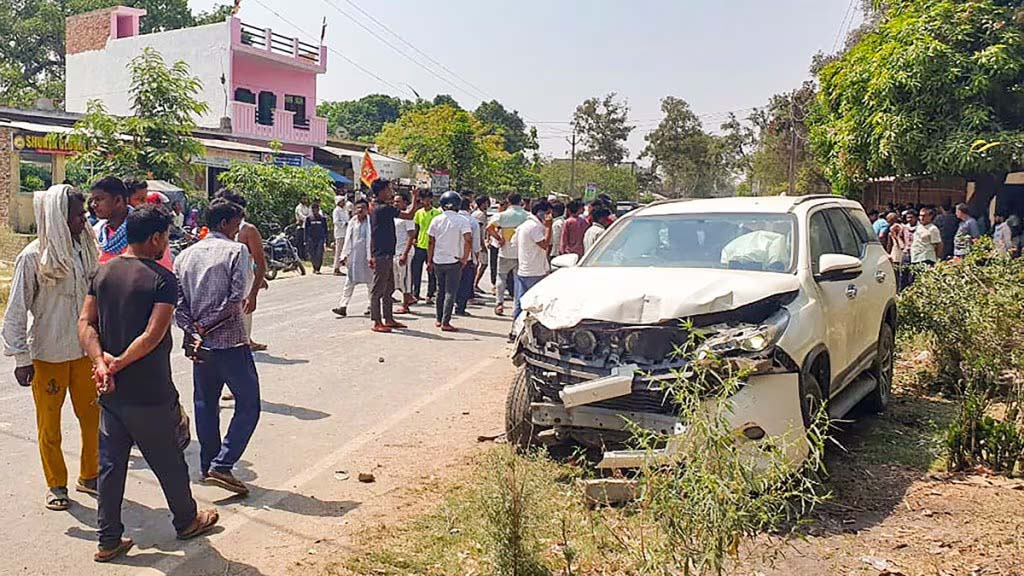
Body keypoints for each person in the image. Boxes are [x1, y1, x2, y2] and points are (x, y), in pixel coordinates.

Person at [78, 204, 219, 562]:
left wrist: (101, 363)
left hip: (110, 391)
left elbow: (85, 323)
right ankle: (187, 519)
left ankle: (108, 539)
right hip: (149, 391)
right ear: (156, 237)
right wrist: (119, 363)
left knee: (111, 466)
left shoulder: (103, 273)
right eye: (165, 237)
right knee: (168, 459)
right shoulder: (161, 279)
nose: (165, 244)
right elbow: (154, 334)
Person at [2, 185, 100, 512]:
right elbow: (16, 309)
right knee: (49, 424)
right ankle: (55, 483)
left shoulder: (87, 251)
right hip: (47, 355)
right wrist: (21, 357)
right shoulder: (33, 257)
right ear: (57, 216)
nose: (82, 220)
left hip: (85, 353)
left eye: (83, 213)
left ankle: (90, 474)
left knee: (92, 417)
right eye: (76, 214)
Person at [174, 199, 258, 496]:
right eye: (236, 224)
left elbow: (178, 303)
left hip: (200, 346)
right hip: (230, 342)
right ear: (224, 223)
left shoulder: (184, 256)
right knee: (249, 404)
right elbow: (237, 299)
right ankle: (222, 464)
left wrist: (194, 329)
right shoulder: (237, 251)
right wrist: (206, 325)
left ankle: (209, 464)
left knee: (206, 405)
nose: (239, 230)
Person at [214, 189, 269, 353]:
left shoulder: (247, 230)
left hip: (243, 281)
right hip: (221, 279)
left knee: (243, 316)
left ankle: (244, 344)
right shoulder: (215, 228)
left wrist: (255, 287)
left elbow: (258, 261)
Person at [90, 176, 174, 270]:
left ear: (118, 200)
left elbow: (163, 270)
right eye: (93, 200)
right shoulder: (96, 233)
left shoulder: (147, 230)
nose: (93, 205)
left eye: (99, 199)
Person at [367, 179, 415, 333]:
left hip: (387, 252)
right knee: (379, 289)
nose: (391, 192)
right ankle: (376, 321)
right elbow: (409, 214)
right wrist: (415, 198)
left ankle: (388, 318)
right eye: (388, 189)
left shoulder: (378, 207)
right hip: (382, 254)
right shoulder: (382, 209)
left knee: (389, 287)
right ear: (381, 191)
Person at [427, 191, 473, 332]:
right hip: (454, 261)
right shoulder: (462, 220)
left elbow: (430, 241)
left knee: (440, 291)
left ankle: (438, 319)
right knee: (450, 292)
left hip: (438, 260)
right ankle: (446, 322)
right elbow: (468, 239)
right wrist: (465, 258)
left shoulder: (436, 220)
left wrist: (430, 260)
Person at [486, 193, 528, 316]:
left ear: (508, 202)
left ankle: (499, 304)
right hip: (520, 252)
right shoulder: (526, 216)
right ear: (520, 201)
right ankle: (517, 305)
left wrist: (499, 238)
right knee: (517, 279)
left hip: (505, 251)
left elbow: (489, 227)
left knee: (501, 278)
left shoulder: (502, 216)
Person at [512, 199, 554, 321]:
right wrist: (548, 227)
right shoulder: (534, 227)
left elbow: (514, 243)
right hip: (534, 271)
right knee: (534, 305)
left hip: (524, 268)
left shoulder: (524, 226)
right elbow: (545, 244)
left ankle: (515, 329)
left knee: (520, 302)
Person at [332, 199, 372, 317]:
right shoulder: (352, 222)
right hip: (354, 257)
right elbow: (348, 240)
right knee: (349, 282)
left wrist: (372, 256)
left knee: (370, 283)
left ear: (367, 209)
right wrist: (344, 255)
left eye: (363, 208)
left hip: (367, 257)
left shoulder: (371, 222)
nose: (360, 210)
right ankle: (343, 306)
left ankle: (371, 305)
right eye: (358, 208)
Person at [411, 191, 441, 303]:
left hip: (433, 246)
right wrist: (414, 239)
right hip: (420, 244)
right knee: (416, 270)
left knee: (431, 271)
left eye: (428, 199)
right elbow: (416, 227)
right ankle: (416, 293)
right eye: (423, 199)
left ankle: (430, 294)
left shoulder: (437, 213)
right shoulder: (419, 213)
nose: (425, 201)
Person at [392, 191, 417, 314]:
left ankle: (405, 305)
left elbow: (411, 236)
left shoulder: (407, 217)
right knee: (397, 279)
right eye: (395, 201)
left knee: (405, 278)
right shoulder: (396, 216)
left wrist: (405, 254)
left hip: (404, 251)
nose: (395, 203)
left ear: (405, 203)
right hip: (395, 251)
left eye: (398, 201)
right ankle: (409, 297)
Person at [455, 197, 481, 315]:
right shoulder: (472, 221)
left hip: (450, 255)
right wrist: (476, 258)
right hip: (467, 257)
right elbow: (475, 243)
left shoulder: (449, 219)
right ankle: (460, 308)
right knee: (465, 283)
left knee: (451, 283)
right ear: (469, 206)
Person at [471, 196, 491, 293]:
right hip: (478, 242)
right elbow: (478, 230)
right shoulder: (480, 215)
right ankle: (474, 284)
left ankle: (474, 284)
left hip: (477, 241)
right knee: (482, 263)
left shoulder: (476, 213)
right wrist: (482, 245)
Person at [305, 200, 329, 274]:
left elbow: (325, 229)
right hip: (311, 238)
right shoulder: (309, 219)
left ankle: (318, 268)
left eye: (316, 209)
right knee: (312, 254)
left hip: (320, 239)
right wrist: (305, 240)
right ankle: (314, 267)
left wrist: (326, 239)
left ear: (319, 209)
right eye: (313, 209)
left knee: (319, 253)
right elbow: (306, 230)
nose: (315, 210)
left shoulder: (322, 218)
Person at [332, 195, 350, 275]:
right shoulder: (336, 211)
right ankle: (336, 268)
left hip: (346, 233)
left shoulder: (344, 210)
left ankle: (347, 266)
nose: (344, 202)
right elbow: (336, 221)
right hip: (340, 233)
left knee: (346, 250)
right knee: (338, 251)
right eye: (342, 201)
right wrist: (344, 224)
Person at [294, 195, 311, 260]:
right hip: (300, 227)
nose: (305, 200)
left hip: (306, 227)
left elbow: (309, 215)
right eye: (304, 199)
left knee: (305, 242)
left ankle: (305, 256)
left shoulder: (307, 208)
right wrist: (308, 219)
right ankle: (300, 256)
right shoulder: (298, 208)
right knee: (300, 242)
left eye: (306, 199)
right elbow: (301, 216)